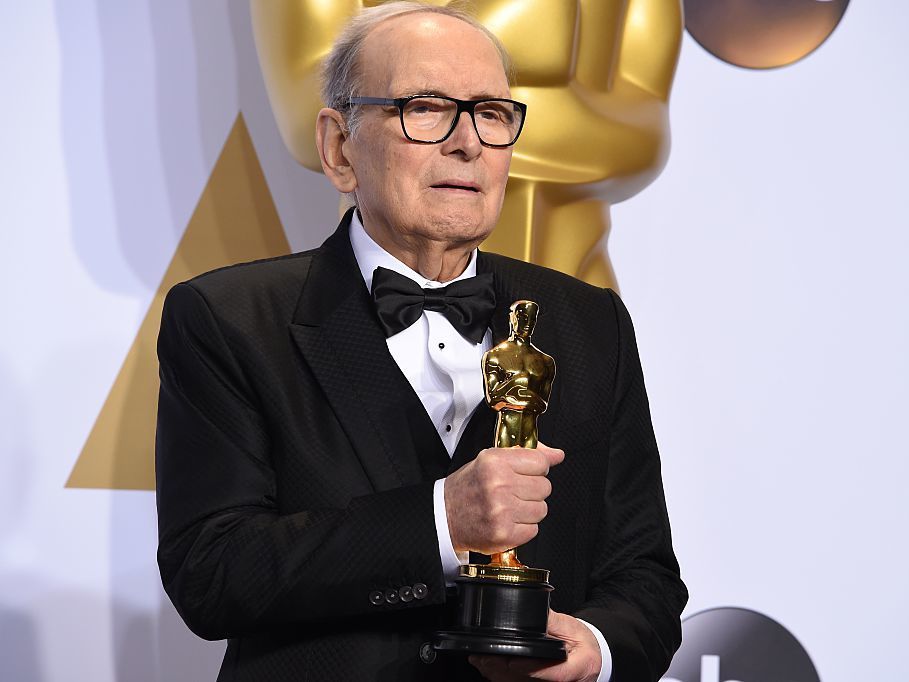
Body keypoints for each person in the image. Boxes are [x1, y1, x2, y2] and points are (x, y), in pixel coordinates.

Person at [155, 3, 687, 681]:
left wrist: (595, 646)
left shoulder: (588, 322)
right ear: (338, 148)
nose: (467, 142)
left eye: (492, 113)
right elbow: (212, 571)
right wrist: (440, 520)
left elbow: (645, 577)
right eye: (426, 107)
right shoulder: (230, 319)